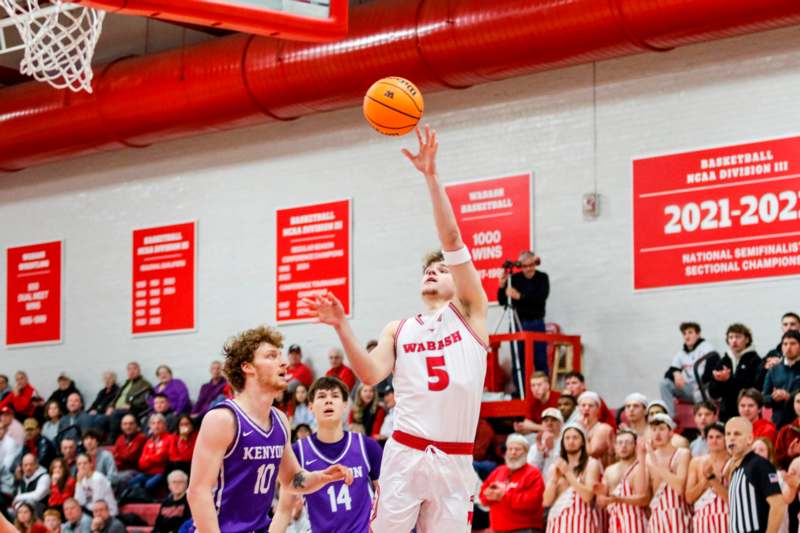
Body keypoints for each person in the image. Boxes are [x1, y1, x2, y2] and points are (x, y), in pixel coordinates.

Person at [304, 125, 489, 531]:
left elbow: (453, 237)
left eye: (441, 270)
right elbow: (369, 374)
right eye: (427, 269)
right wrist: (341, 326)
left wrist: (430, 176)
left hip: (454, 459)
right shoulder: (399, 328)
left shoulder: (472, 313)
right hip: (405, 453)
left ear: (458, 282)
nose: (432, 273)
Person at [186, 325, 352, 533]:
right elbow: (197, 492)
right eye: (272, 356)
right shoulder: (223, 419)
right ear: (247, 367)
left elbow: (292, 479)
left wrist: (323, 477)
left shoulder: (280, 420)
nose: (283, 363)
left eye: (281, 356)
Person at [272, 377, 382, 533]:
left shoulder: (367, 446)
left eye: (335, 396)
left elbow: (386, 500)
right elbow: (283, 510)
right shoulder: (298, 452)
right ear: (310, 406)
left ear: (345, 405)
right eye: (322, 396)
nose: (328, 401)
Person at [497, 251, 550, 387]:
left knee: (540, 359)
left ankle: (543, 389)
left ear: (535, 264)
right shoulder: (515, 279)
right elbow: (503, 301)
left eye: (530, 265)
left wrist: (520, 296)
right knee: (518, 360)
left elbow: (540, 298)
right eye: (524, 266)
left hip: (536, 323)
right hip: (518, 322)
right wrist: (502, 285)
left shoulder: (542, 278)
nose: (528, 269)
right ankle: (521, 391)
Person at [726, 417, 785, 533]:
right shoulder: (736, 468)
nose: (731, 438)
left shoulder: (759, 464)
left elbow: (778, 505)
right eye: (727, 434)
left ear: (749, 439)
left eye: (737, 434)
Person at [479, 433, 544, 533]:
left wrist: (504, 495)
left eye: (517, 449)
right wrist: (488, 494)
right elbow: (483, 496)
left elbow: (532, 502)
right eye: (510, 449)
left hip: (524, 529)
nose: (513, 452)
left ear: (526, 452)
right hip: (497, 528)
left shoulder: (533, 473)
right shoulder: (498, 471)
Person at [543, 424, 601, 532]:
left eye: (575, 437)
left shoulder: (591, 464)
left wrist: (568, 473)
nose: (571, 441)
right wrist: (554, 479)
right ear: (562, 442)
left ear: (583, 441)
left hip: (582, 524)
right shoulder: (554, 466)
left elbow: (588, 496)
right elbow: (546, 502)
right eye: (567, 438)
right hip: (556, 525)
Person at [593, 429, 648, 533]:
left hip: (637, 524)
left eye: (628, 442)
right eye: (620, 443)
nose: (623, 446)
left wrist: (618, 499)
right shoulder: (609, 470)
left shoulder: (641, 467)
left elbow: (644, 499)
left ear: (635, 446)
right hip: (615, 524)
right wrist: (600, 495)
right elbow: (602, 503)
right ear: (615, 447)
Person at [645, 413, 691, 532]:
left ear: (671, 432)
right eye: (654, 429)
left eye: (662, 429)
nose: (657, 433)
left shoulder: (682, 454)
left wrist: (656, 463)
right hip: (656, 517)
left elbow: (679, 487)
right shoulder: (647, 458)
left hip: (678, 515)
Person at [660, 322, 717, 417]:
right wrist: (676, 373)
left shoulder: (707, 348)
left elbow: (711, 371)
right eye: (684, 333)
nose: (687, 336)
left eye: (690, 332)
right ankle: (670, 418)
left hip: (703, 388)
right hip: (688, 388)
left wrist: (701, 384)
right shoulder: (681, 353)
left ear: (698, 334)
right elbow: (669, 373)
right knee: (664, 384)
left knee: (699, 394)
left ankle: (704, 422)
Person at [707, 323, 762, 421]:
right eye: (731, 337)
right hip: (726, 413)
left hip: (748, 413)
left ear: (747, 339)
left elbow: (753, 388)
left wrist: (728, 380)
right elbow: (713, 393)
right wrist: (718, 381)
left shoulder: (755, 360)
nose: (734, 341)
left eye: (738, 337)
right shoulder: (723, 361)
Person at [685, 422, 730, 533]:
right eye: (710, 437)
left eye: (718, 437)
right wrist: (704, 481)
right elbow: (689, 498)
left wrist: (712, 479)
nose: (714, 441)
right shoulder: (696, 462)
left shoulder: (733, 462)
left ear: (726, 439)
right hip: (703, 519)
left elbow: (732, 499)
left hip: (727, 517)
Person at [763, 330, 800, 429]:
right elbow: (764, 399)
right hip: (779, 424)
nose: (788, 347)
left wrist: (789, 396)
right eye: (785, 344)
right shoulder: (774, 369)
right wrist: (774, 397)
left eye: (793, 344)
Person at [131, 414, 175, 496]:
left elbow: (162, 457)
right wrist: (154, 458)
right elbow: (141, 463)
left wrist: (148, 458)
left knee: (149, 484)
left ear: (165, 425)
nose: (156, 426)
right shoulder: (148, 441)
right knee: (132, 482)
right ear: (150, 427)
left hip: (162, 472)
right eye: (153, 423)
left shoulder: (170, 438)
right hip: (147, 472)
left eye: (159, 423)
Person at [107, 362, 152, 443]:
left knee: (115, 414)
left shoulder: (144, 384)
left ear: (139, 370)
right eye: (129, 369)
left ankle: (112, 440)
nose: (131, 371)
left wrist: (130, 405)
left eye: (134, 368)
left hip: (133, 409)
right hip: (117, 409)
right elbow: (116, 397)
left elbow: (144, 400)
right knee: (99, 418)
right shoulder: (126, 383)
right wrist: (110, 406)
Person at [758, 312, 800, 389]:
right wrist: (766, 368)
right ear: (781, 328)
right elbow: (758, 382)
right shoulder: (773, 353)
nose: (789, 327)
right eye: (785, 324)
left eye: (792, 324)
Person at [513, 372, 560, 436]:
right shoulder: (533, 401)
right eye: (533, 385)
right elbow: (527, 424)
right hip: (539, 436)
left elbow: (555, 428)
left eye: (539, 385)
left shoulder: (558, 398)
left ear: (547, 386)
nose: (536, 389)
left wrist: (536, 427)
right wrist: (520, 429)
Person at [527, 407, 563, 485]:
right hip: (542, 485)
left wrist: (552, 450)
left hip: (561, 484)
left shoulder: (566, 441)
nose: (549, 423)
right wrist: (539, 451)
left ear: (561, 424)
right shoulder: (536, 445)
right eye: (546, 420)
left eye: (553, 420)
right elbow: (531, 469)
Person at [577, 391, 614, 465]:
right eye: (583, 405)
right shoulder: (575, 427)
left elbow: (593, 453)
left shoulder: (603, 428)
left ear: (598, 409)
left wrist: (583, 431)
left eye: (591, 406)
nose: (586, 408)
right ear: (578, 409)